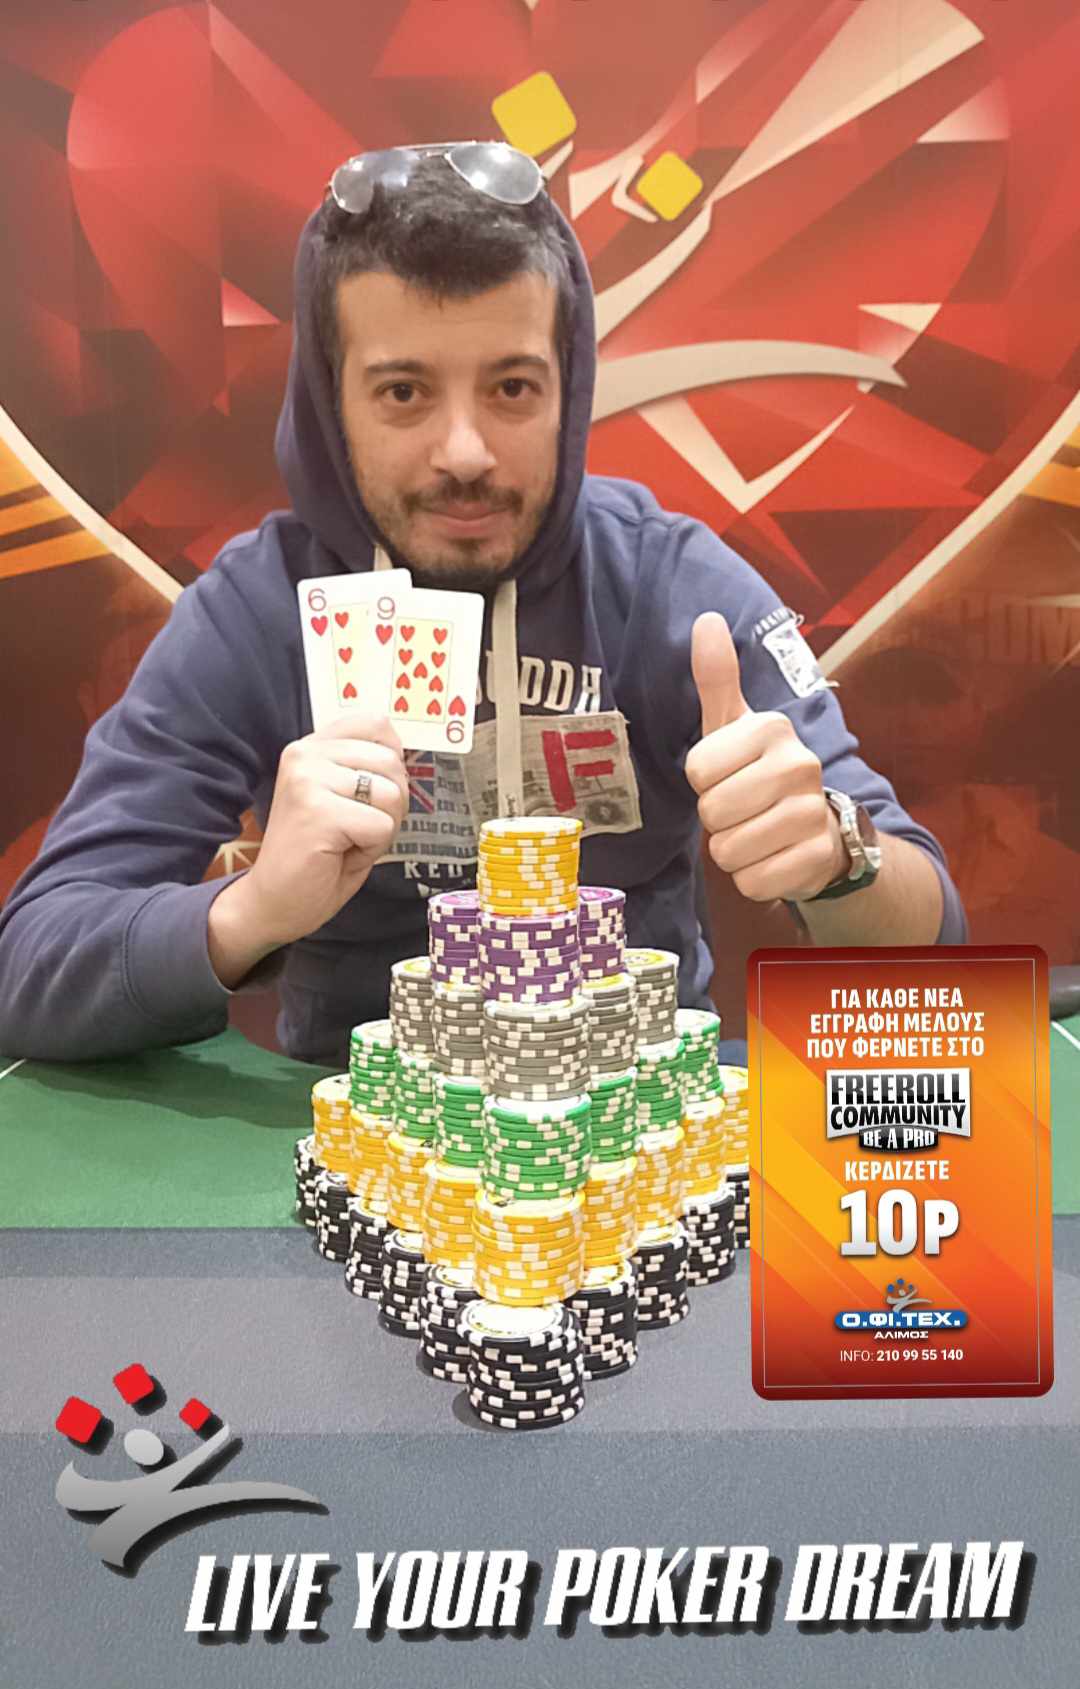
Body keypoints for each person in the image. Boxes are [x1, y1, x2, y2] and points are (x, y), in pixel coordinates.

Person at [0, 142, 965, 1066]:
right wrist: (250, 911)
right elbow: (28, 962)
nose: (465, 451)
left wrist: (840, 855)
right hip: (363, 1136)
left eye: (511, 387)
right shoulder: (258, 609)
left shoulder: (671, 585)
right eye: (404, 392)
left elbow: (935, 935)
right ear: (331, 404)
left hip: (637, 1128)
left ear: (568, 392)